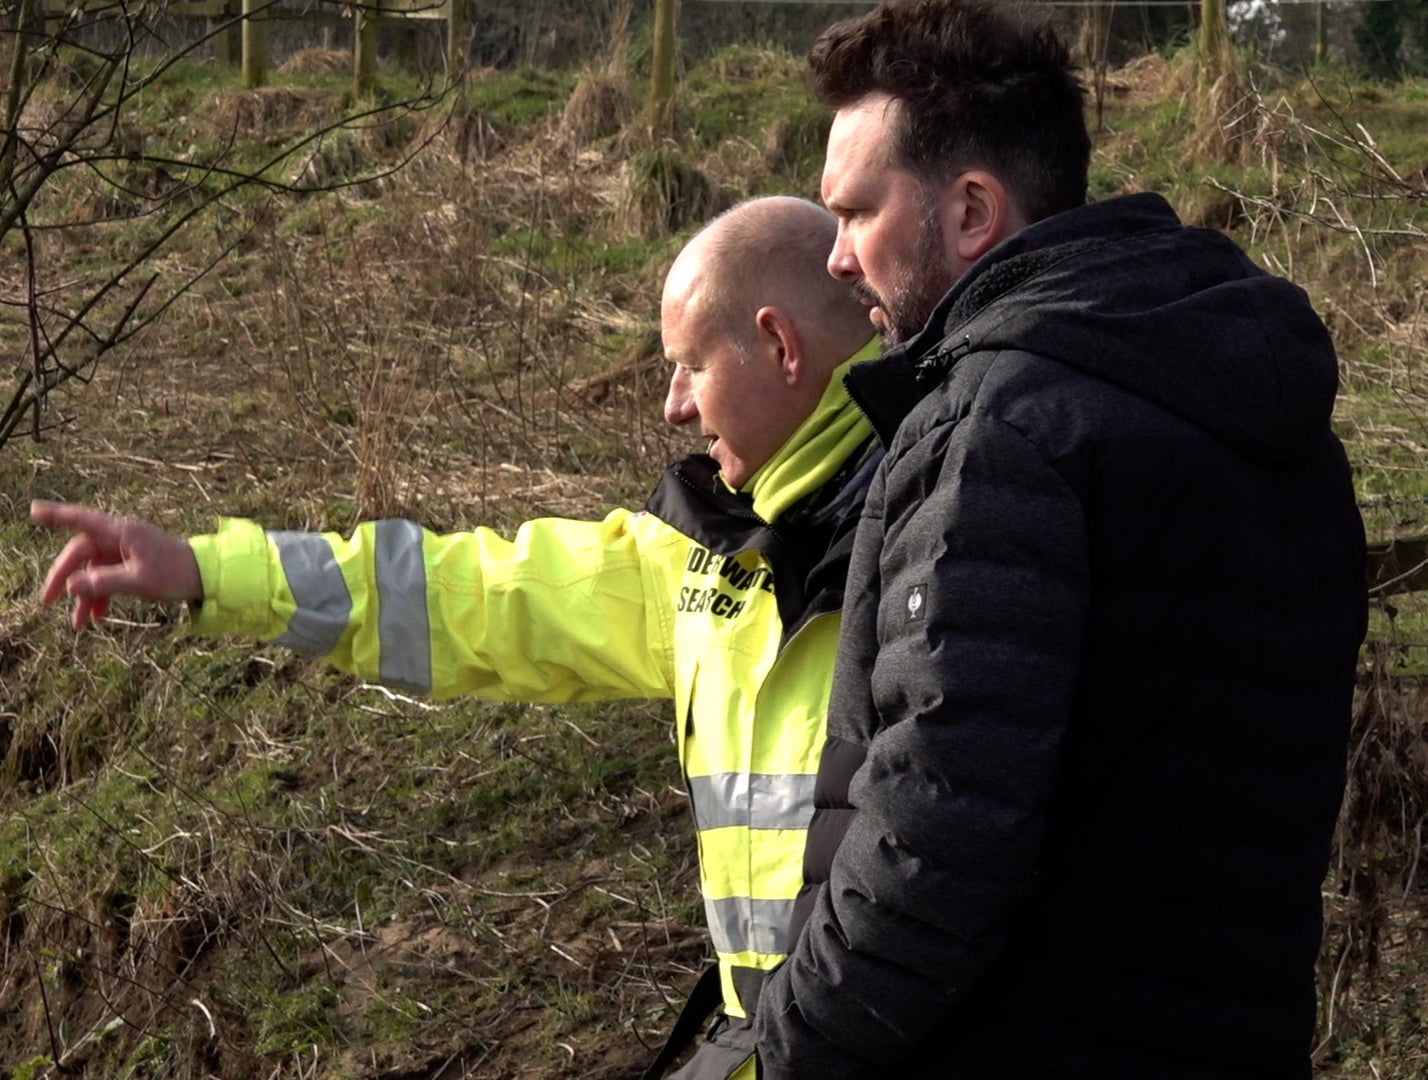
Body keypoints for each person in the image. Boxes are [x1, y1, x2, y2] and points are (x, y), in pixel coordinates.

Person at [32, 195, 879, 1079]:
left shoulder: (935, 554)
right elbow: (459, 595)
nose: (671, 407)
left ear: (781, 348)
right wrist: (209, 571)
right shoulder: (701, 558)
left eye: (690, 366)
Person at [751, 3, 1370, 1078]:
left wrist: (783, 1048)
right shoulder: (1252, 410)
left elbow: (928, 850)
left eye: (852, 214)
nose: (837, 259)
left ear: (972, 211)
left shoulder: (999, 429)